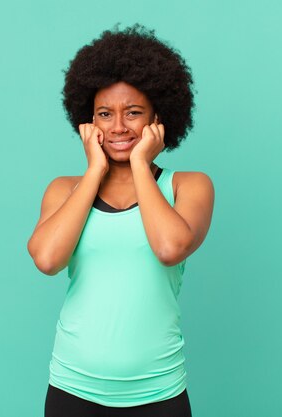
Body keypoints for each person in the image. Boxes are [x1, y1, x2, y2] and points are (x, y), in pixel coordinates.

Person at [28, 24, 214, 417]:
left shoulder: (189, 186)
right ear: (88, 120)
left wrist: (140, 165)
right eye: (104, 114)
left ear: (157, 118)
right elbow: (47, 260)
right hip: (72, 391)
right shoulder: (64, 189)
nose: (117, 127)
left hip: (160, 393)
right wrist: (93, 171)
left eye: (133, 113)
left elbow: (169, 247)